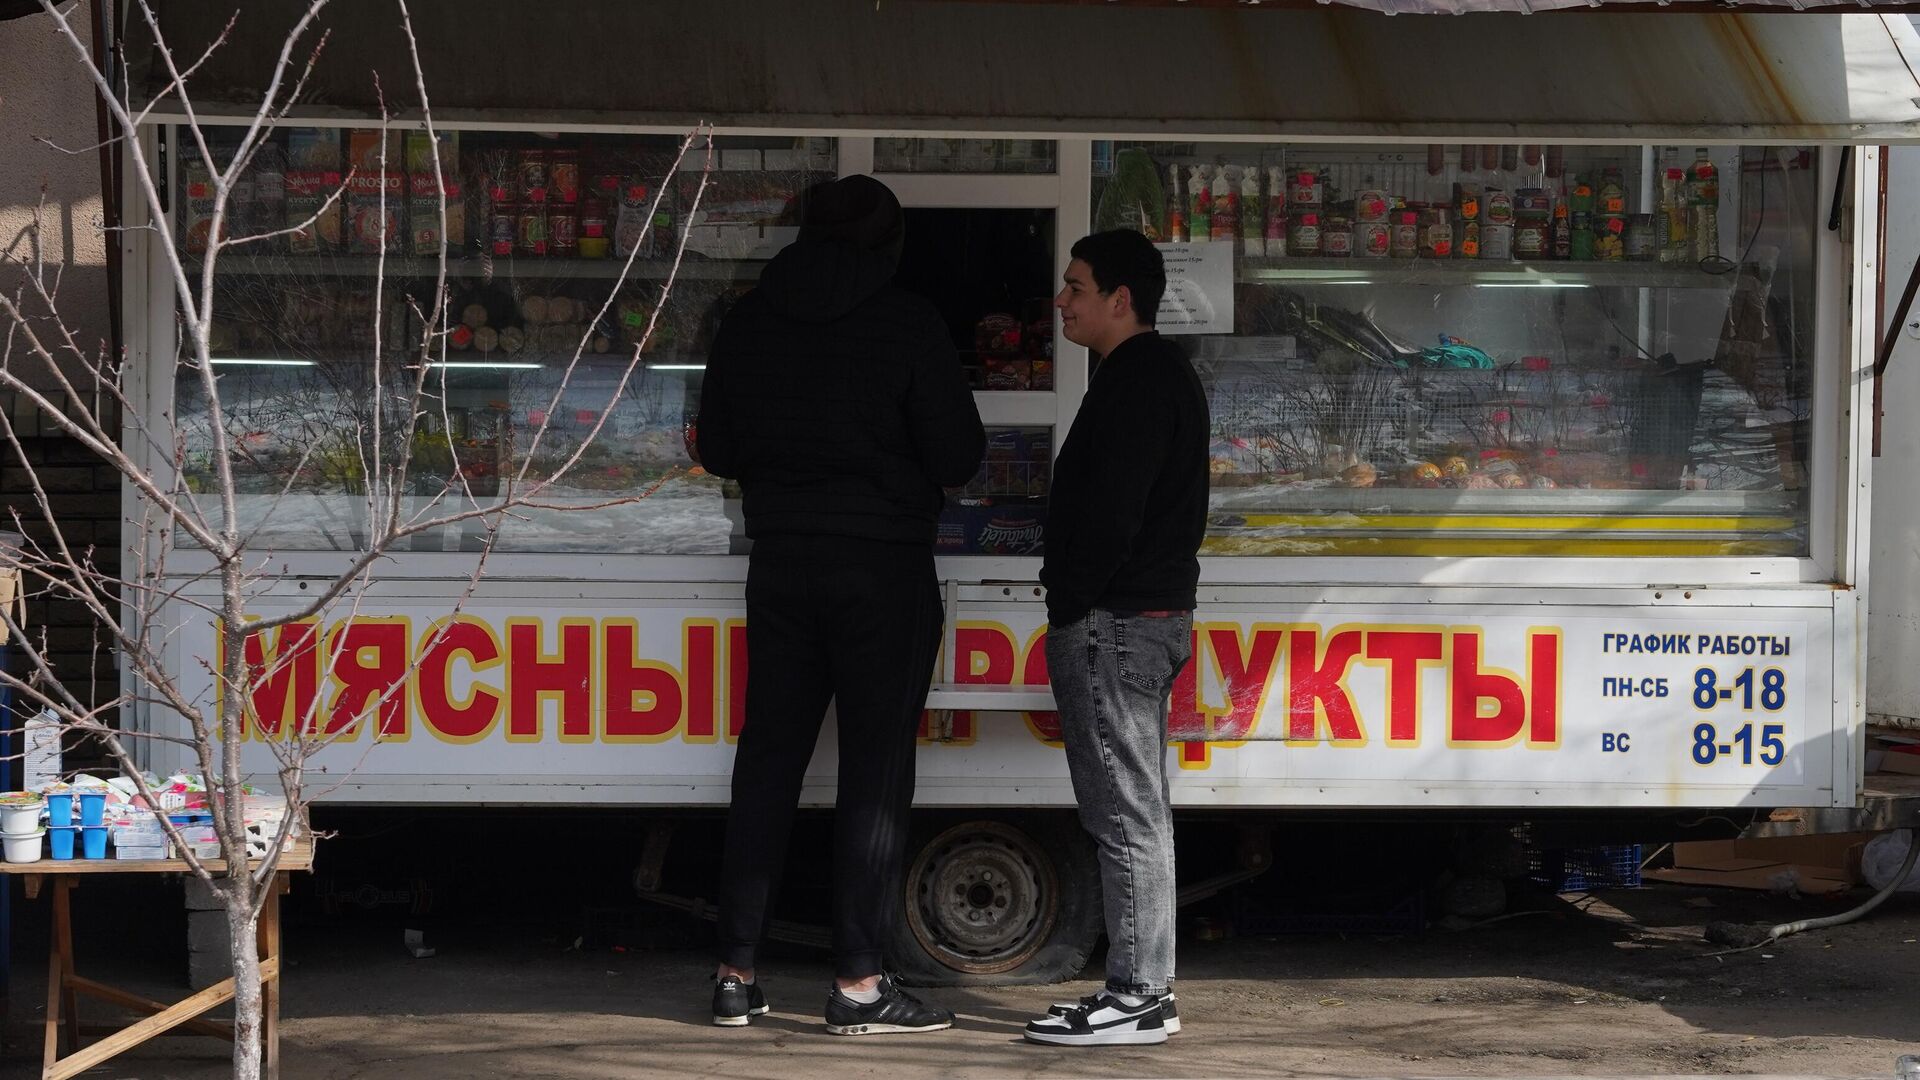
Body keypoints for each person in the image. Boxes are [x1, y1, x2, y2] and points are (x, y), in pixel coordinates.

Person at [695, 174, 985, 1035]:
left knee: (768, 761)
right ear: (888, 242)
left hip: (781, 563)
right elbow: (960, 453)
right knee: (875, 774)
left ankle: (734, 973)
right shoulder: (908, 322)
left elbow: (715, 448)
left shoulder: (748, 319)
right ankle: (859, 986)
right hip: (883, 571)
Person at [1021, 230, 1208, 1048]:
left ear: (1119, 298)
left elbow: (1109, 515)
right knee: (1137, 809)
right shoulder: (1149, 376)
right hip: (1135, 622)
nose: (1062, 301)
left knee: (1125, 814)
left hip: (1117, 625)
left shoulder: (1139, 382)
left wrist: (1073, 604)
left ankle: (1136, 995)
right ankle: (1143, 992)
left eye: (1075, 286)